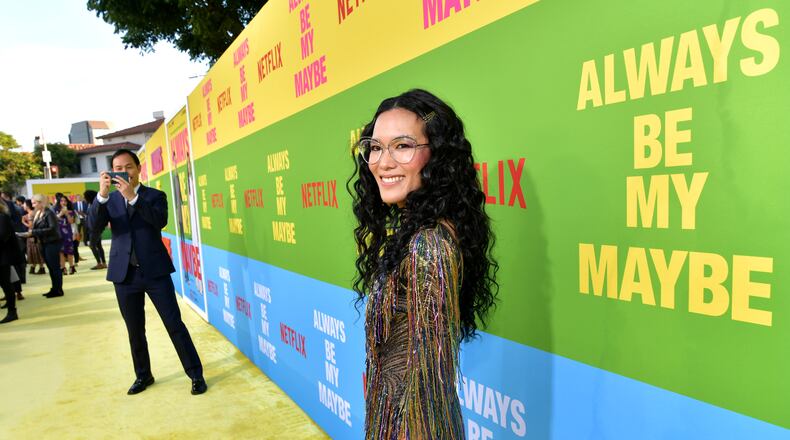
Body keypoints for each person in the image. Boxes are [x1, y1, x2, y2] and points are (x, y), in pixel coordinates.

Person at [350, 89, 498, 439]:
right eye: (375, 146)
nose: (383, 162)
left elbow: (427, 386)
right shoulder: (415, 232)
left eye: (402, 146)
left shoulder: (428, 243)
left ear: (436, 156)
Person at [89, 149, 206, 395]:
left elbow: (159, 220)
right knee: (134, 329)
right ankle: (143, 375)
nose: (122, 172)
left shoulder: (154, 196)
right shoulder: (107, 201)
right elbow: (93, 228)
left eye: (128, 167)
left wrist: (133, 198)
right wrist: (101, 195)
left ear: (138, 168)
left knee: (174, 324)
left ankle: (196, 375)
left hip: (155, 272)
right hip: (124, 275)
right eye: (117, 168)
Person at [27, 194, 63, 297]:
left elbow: (52, 228)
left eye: (34, 203)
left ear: (40, 202)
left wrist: (34, 231)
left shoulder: (49, 213)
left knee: (54, 267)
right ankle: (55, 288)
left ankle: (58, 290)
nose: (33, 205)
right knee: (51, 267)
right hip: (44, 242)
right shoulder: (39, 213)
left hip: (52, 242)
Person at [0, 201, 25, 324]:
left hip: (3, 258)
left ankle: (12, 311)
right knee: (5, 284)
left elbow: (2, 237)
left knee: (6, 284)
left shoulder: (2, 217)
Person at [83, 190, 106, 270]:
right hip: (94, 229)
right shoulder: (91, 205)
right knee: (99, 246)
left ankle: (99, 263)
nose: (84, 199)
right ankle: (103, 262)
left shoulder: (95, 205)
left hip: (94, 229)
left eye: (85, 197)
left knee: (92, 246)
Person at [22, 200, 45, 275]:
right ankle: (37, 267)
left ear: (27, 206)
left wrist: (23, 222)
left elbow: (31, 226)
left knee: (34, 250)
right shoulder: (34, 213)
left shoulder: (30, 214)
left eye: (24, 204)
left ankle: (38, 267)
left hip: (32, 235)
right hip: (35, 234)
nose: (23, 206)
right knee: (36, 250)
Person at [56, 196, 77, 275]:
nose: (63, 202)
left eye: (65, 201)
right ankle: (62, 268)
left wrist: (67, 214)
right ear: (59, 202)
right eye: (61, 201)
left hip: (68, 234)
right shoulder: (56, 211)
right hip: (59, 234)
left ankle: (72, 267)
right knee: (61, 252)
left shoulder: (71, 211)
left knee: (70, 251)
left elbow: (71, 222)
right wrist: (61, 213)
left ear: (67, 202)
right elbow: (54, 220)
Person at [73, 194, 87, 263]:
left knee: (85, 231)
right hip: (77, 220)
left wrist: (83, 214)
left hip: (84, 219)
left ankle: (85, 242)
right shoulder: (74, 204)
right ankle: (77, 243)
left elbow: (87, 211)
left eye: (80, 197)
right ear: (76, 198)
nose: (79, 198)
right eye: (78, 197)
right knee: (77, 232)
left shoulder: (85, 203)